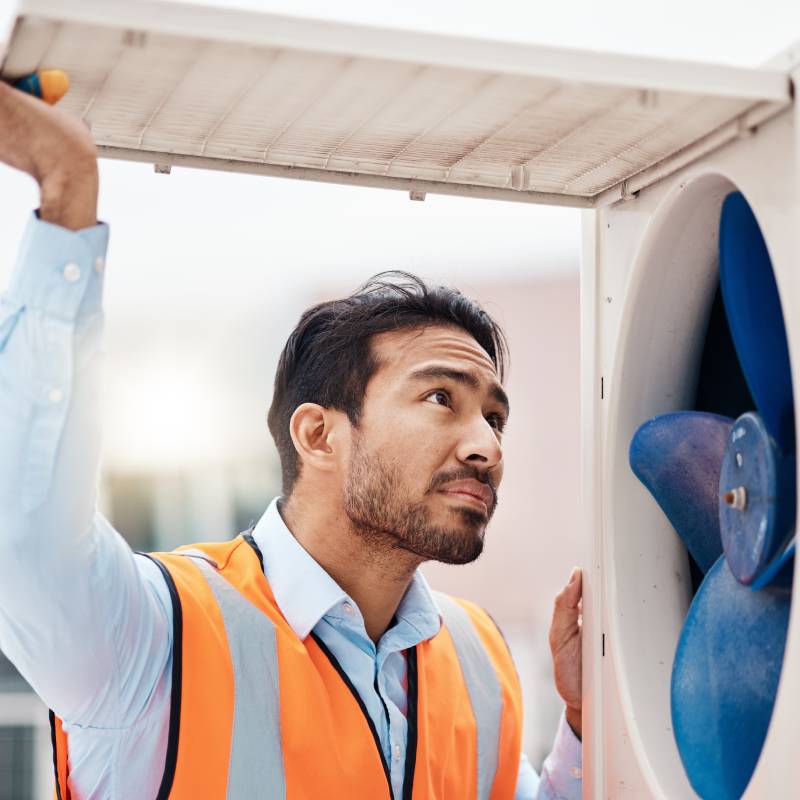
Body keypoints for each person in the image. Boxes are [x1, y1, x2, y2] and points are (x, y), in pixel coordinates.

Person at [0, 80, 583, 799]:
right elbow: (22, 535)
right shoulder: (156, 637)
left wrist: (586, 722)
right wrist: (66, 194)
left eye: (494, 417)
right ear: (318, 434)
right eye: (441, 399)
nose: (486, 447)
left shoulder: (481, 659)